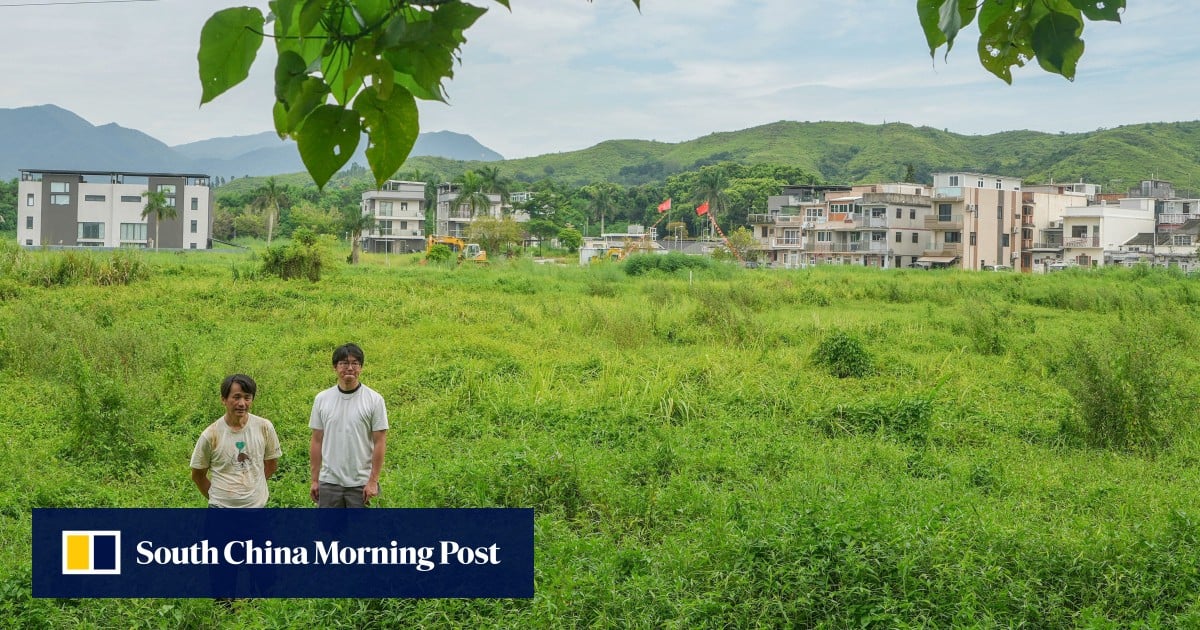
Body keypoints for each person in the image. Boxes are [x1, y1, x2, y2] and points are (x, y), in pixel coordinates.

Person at [309, 343, 388, 508]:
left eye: (355, 363)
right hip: (329, 482)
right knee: (328, 532)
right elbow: (316, 440)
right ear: (335, 367)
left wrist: (373, 481)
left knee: (361, 533)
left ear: (361, 367)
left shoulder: (374, 400)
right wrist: (315, 479)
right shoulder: (322, 399)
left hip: (361, 483)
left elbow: (380, 442)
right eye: (344, 363)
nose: (349, 368)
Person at [191, 374, 282, 508]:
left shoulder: (264, 427)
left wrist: (252, 487)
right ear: (224, 399)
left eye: (247, 398)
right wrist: (219, 500)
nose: (242, 403)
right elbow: (198, 476)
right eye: (236, 397)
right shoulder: (210, 435)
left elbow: (271, 464)